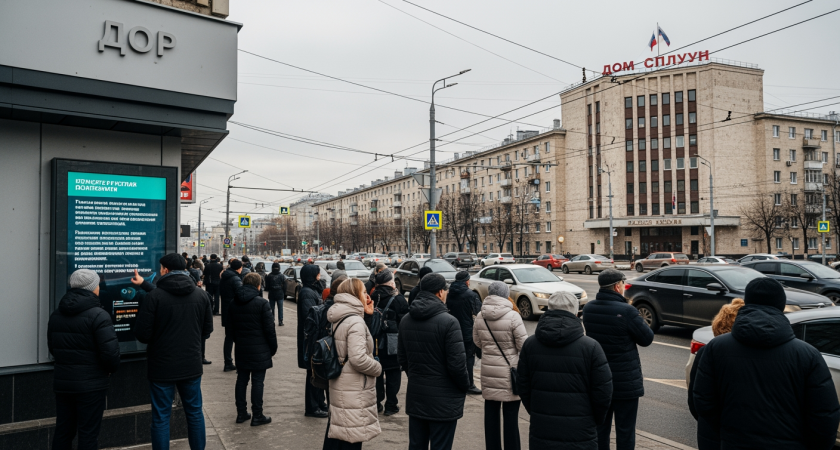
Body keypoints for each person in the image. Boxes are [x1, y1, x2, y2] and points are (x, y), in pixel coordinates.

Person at [693, 278, 840, 450]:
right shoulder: (807, 355)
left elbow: (703, 402)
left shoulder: (716, 348)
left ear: (747, 301)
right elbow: (824, 415)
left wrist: (729, 433)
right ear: (781, 304)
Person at [132, 254, 214, 450]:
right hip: (191, 364)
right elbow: (207, 331)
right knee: (194, 413)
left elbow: (143, 334)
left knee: (161, 416)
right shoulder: (200, 294)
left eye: (161, 268)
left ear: (166, 270)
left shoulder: (155, 297)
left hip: (162, 366)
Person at [518, 290, 613, 449]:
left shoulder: (530, 344)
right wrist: (594, 419)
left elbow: (523, 385)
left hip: (542, 428)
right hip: (581, 431)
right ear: (576, 312)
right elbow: (603, 391)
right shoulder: (590, 347)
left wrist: (536, 411)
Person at [581, 268, 653, 450]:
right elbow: (647, 338)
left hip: (599, 380)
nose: (623, 286)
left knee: (601, 429)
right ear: (616, 287)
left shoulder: (589, 309)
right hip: (625, 382)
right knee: (625, 431)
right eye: (622, 283)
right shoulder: (627, 311)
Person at [48, 269, 120, 450]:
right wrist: (109, 370)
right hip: (91, 385)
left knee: (63, 431)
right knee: (88, 434)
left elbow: (53, 348)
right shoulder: (99, 315)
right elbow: (110, 354)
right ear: (92, 288)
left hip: (64, 382)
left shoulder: (57, 314)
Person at [398, 273, 470, 450]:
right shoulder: (449, 322)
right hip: (444, 400)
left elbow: (403, 358)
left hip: (417, 395)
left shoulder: (406, 320)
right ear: (439, 292)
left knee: (416, 445)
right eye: (445, 289)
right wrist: (464, 386)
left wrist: (416, 376)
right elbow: (457, 366)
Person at [323, 278, 383, 449]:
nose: (367, 295)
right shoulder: (355, 321)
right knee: (352, 438)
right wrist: (377, 368)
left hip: (342, 383)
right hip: (354, 387)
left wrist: (368, 316)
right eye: (364, 292)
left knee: (341, 435)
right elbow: (358, 358)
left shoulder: (340, 315)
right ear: (355, 294)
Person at [472, 281, 528, 450]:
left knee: (490, 416)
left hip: (489, 372)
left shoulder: (481, 315)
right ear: (506, 294)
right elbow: (523, 346)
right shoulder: (513, 316)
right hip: (510, 375)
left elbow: (477, 342)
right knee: (511, 418)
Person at [687, 298, 744, 450]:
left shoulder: (707, 352)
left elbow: (695, 398)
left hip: (710, 431)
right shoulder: (750, 354)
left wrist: (707, 421)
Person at [228, 272, 277, 426]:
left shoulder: (233, 303)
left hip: (242, 347)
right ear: (258, 285)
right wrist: (272, 348)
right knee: (258, 382)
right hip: (260, 349)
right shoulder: (262, 303)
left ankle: (241, 413)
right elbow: (270, 330)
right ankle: (258, 415)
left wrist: (239, 341)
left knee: (241, 380)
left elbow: (230, 330)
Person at [369, 269, 409, 416]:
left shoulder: (372, 296)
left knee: (377, 372)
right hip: (392, 343)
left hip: (374, 341)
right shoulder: (397, 299)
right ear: (390, 282)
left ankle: (377, 402)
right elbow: (405, 321)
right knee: (393, 373)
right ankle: (391, 404)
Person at [297, 264, 328, 418]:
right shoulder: (307, 293)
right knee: (313, 373)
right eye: (317, 274)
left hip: (316, 337)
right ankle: (312, 407)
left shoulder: (312, 290)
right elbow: (310, 316)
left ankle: (320, 403)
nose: (319, 276)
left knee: (318, 371)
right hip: (312, 339)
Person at [446, 270, 482, 395]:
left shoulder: (449, 293)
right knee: (469, 358)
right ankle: (469, 384)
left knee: (453, 357)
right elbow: (479, 312)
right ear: (467, 281)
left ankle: (455, 382)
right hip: (466, 331)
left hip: (451, 330)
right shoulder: (470, 294)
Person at [220, 259, 244, 372]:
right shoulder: (235, 279)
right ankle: (237, 363)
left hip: (226, 310)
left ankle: (228, 362)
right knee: (238, 338)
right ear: (239, 268)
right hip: (235, 311)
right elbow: (241, 295)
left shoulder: (224, 277)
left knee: (229, 338)